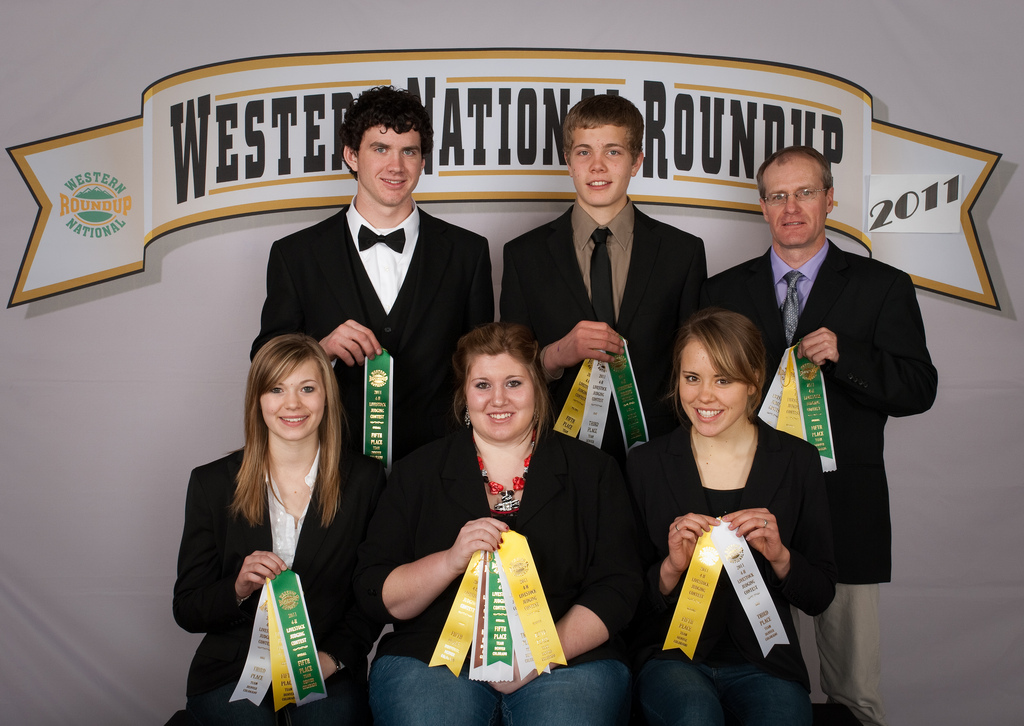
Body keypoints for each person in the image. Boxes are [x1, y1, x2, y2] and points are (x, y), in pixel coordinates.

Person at [701, 146, 938, 726]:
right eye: (778, 196)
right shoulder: (721, 291)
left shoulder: (883, 286)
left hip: (845, 512)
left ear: (830, 199)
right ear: (761, 207)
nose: (792, 207)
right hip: (745, 513)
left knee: (854, 693)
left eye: (805, 192)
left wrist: (847, 355)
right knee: (751, 685)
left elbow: (918, 388)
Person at [354, 322, 642, 726]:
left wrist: (543, 652)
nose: (498, 399)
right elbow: (374, 591)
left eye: (513, 382)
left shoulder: (593, 471)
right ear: (464, 394)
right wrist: (450, 561)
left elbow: (620, 585)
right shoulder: (415, 472)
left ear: (537, 387)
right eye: (482, 385)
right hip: (433, 657)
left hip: (568, 658)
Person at [252, 85, 494, 463]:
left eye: (408, 151)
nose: (395, 166)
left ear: (422, 160)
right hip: (331, 461)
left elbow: (485, 364)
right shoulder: (295, 254)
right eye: (380, 149)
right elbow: (265, 360)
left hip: (440, 465)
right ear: (351, 156)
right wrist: (320, 349)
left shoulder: (469, 252)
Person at [627, 308, 837, 726]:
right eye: (692, 378)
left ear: (754, 382)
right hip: (672, 659)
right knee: (693, 716)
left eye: (723, 380)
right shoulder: (646, 463)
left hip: (767, 665)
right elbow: (622, 598)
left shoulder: (797, 461)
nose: (704, 396)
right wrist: (670, 569)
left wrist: (781, 557)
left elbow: (820, 595)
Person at [173, 333, 385, 725]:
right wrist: (236, 588)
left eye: (307, 388)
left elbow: (371, 595)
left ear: (327, 397)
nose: (292, 404)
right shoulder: (212, 483)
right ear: (258, 400)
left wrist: (334, 657)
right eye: (276, 389)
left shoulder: (365, 481)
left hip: (325, 667)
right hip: (230, 670)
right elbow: (187, 607)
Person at [501, 94, 706, 468]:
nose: (597, 166)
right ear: (568, 161)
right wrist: (555, 356)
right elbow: (507, 370)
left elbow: (695, 366)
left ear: (636, 161)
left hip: (659, 456)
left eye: (613, 152)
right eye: (583, 152)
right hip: (556, 453)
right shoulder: (523, 255)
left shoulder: (683, 253)